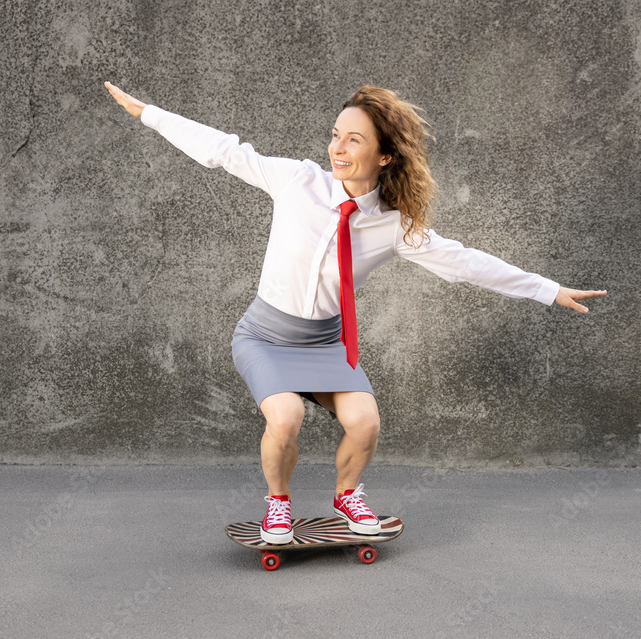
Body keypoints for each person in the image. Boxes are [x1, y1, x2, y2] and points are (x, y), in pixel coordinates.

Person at [104, 81, 606, 545]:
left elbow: (462, 262)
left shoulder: (391, 226)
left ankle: (347, 495)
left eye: (354, 141)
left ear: (385, 156)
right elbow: (225, 152)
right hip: (265, 335)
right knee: (287, 416)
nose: (337, 149)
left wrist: (547, 289)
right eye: (335, 136)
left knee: (365, 422)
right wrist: (148, 113)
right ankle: (278, 506)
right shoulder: (298, 181)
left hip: (326, 342)